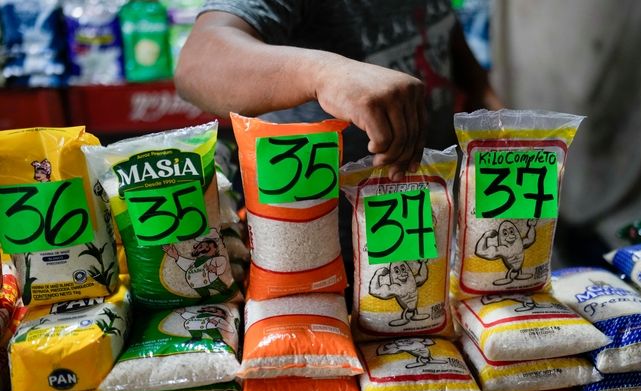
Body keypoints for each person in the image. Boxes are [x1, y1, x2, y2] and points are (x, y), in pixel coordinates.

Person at [175, 0, 503, 289]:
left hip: (428, 222)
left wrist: (483, 95)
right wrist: (325, 73)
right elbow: (198, 61)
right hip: (325, 257)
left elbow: (437, 25)